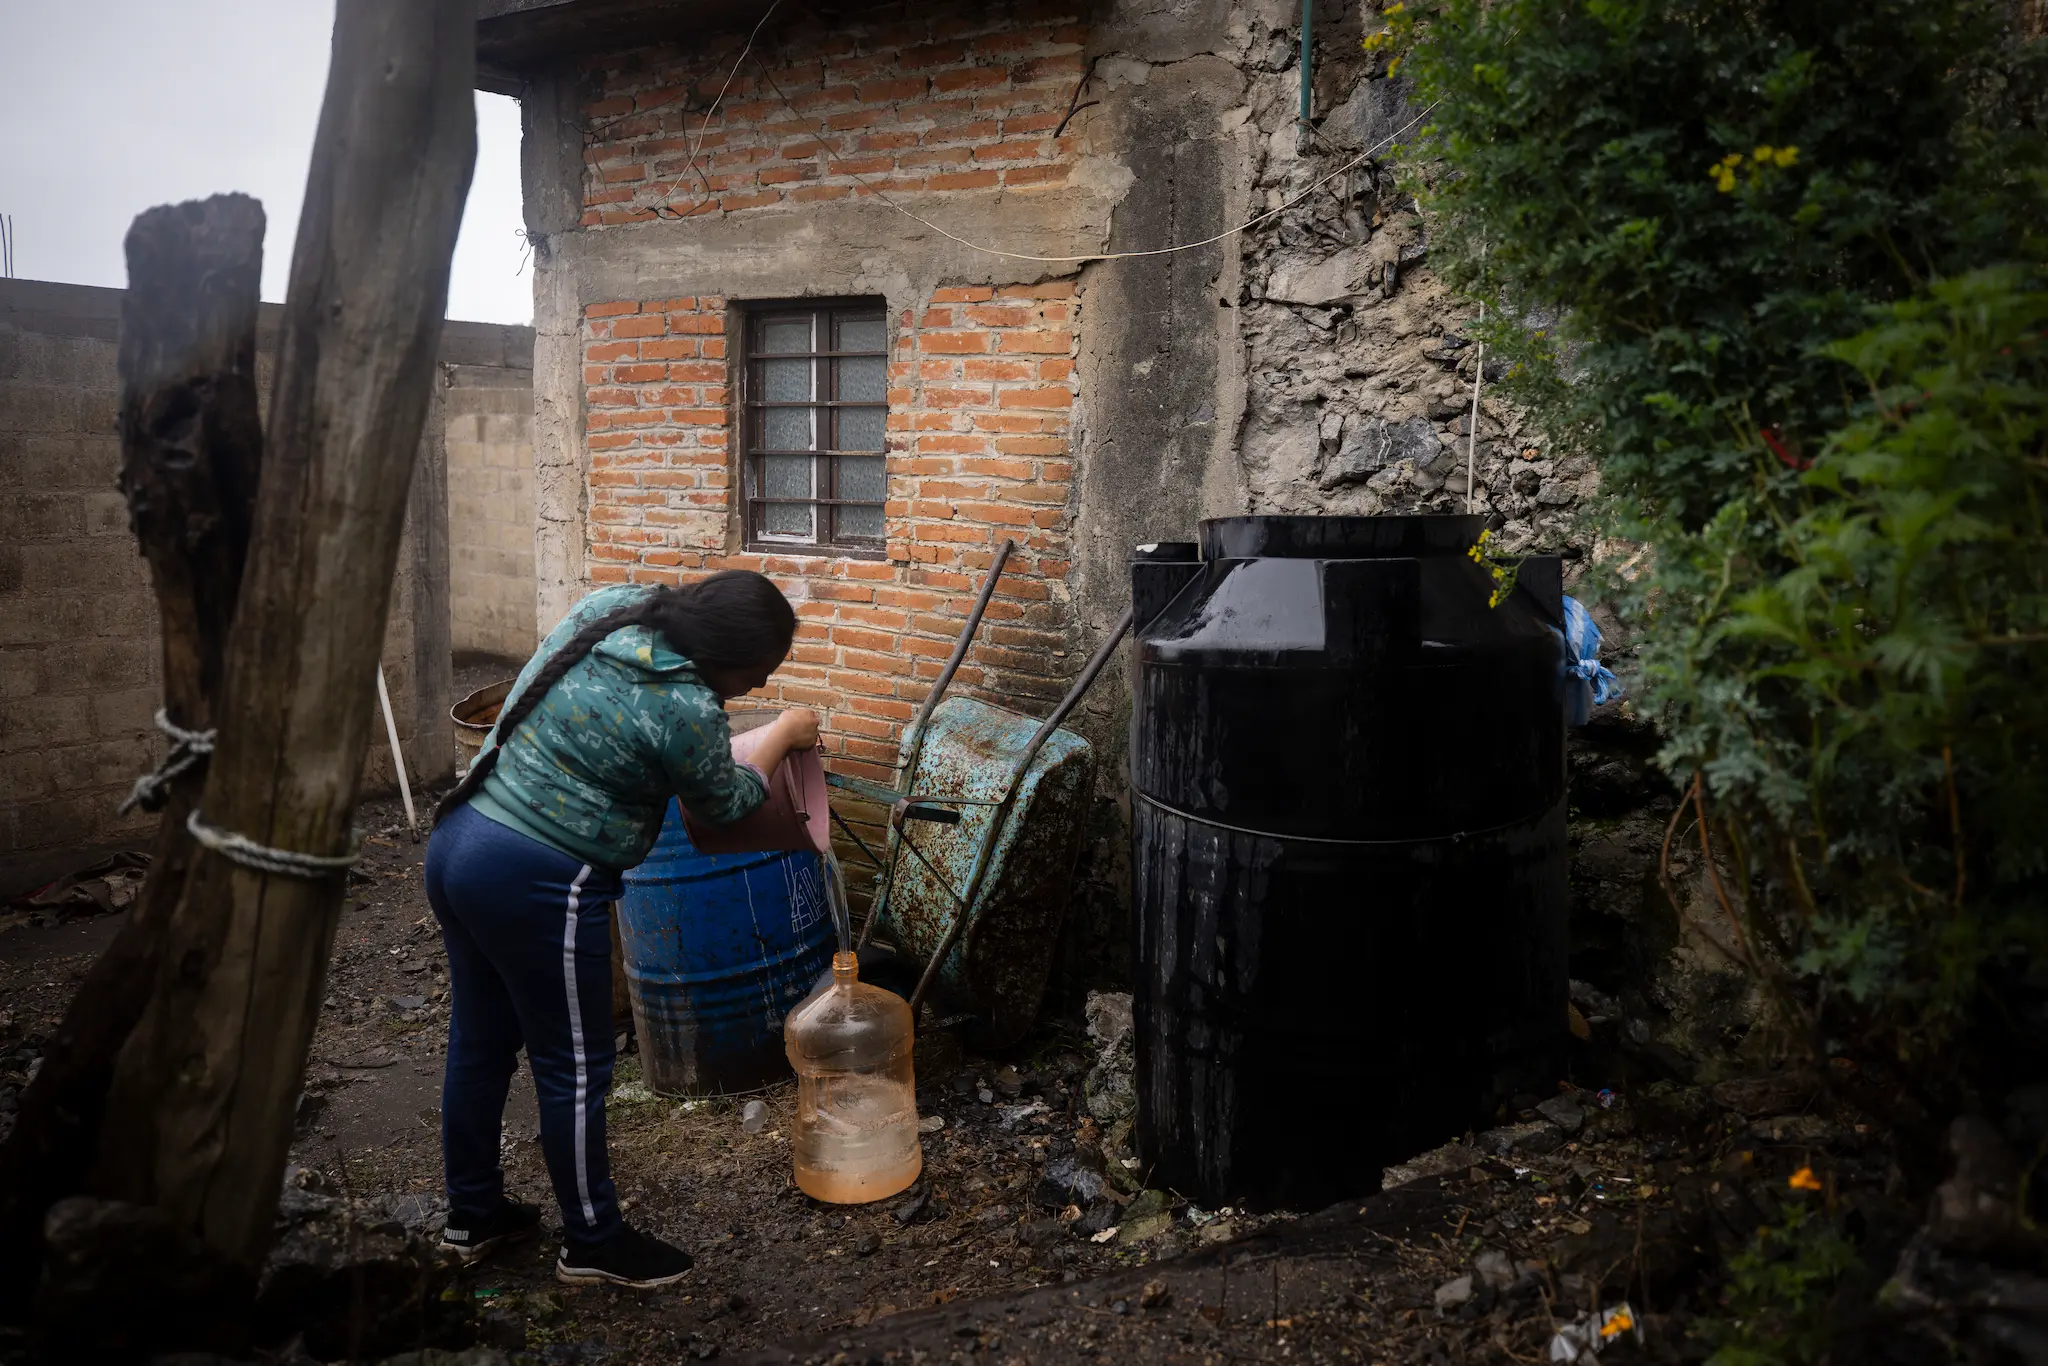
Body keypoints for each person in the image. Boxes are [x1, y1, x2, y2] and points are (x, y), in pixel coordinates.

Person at [424, 571, 817, 1288]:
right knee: (574, 1067)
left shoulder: (613, 607)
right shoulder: (686, 705)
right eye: (757, 673)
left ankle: (472, 1215)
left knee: (480, 1042)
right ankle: (593, 1242)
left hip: (460, 837)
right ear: (726, 656)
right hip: (537, 875)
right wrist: (785, 732)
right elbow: (726, 806)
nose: (756, 687)